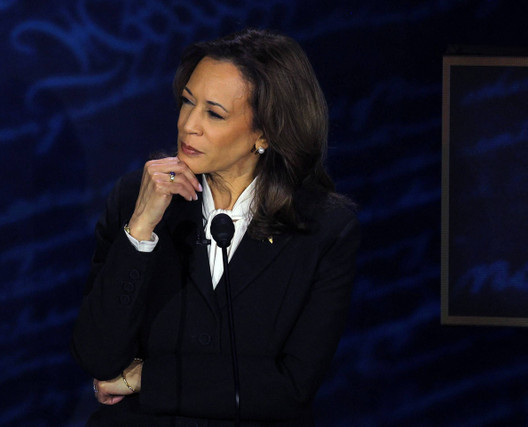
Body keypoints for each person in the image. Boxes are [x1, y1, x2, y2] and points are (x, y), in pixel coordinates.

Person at [71, 28, 360, 426]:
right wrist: (140, 230)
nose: (189, 125)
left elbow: (290, 387)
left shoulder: (323, 227)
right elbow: (98, 359)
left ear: (265, 132)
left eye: (214, 113)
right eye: (187, 102)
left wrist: (146, 378)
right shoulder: (136, 198)